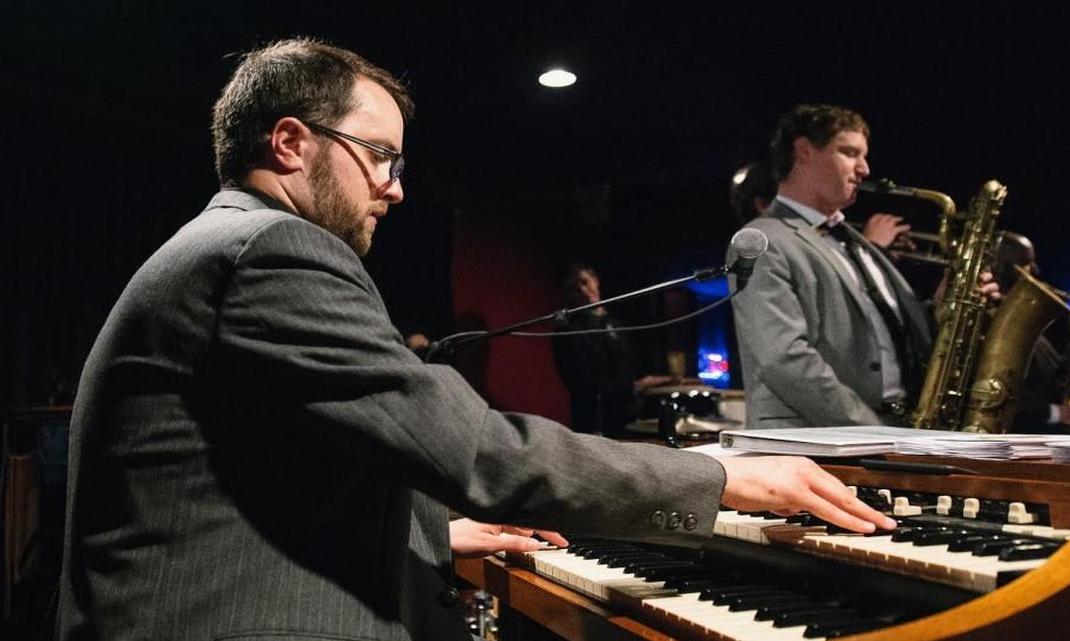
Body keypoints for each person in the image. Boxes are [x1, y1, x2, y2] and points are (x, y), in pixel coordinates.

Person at [58, 40, 894, 641]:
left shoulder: (224, 242)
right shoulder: (272, 248)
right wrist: (721, 477)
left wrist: (429, 529)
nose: (394, 186)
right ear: (289, 142)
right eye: (379, 156)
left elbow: (267, 467)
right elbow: (481, 449)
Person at [729, 104, 938, 428]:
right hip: (823, 442)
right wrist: (872, 428)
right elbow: (783, 358)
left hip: (894, 430)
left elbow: (885, 332)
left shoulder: (855, 240)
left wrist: (947, 304)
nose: (865, 168)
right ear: (804, 151)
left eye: (864, 155)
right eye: (850, 152)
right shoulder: (760, 239)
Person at [551, 263, 675, 436]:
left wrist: (651, 381)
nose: (584, 291)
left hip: (629, 417)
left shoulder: (616, 325)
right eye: (574, 288)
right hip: (593, 423)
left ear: (596, 280)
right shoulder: (569, 331)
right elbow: (581, 385)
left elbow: (629, 366)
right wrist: (635, 386)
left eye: (586, 282)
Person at [992, 233, 1070, 433]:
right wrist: (1057, 413)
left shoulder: (1023, 324)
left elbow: (1043, 379)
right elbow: (1003, 397)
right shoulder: (993, 321)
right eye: (1026, 262)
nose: (1035, 269)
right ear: (1005, 267)